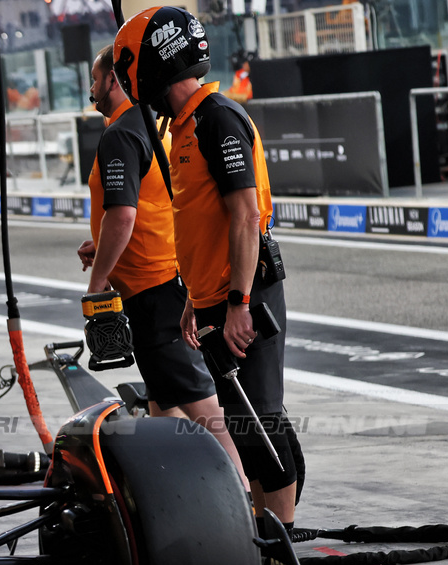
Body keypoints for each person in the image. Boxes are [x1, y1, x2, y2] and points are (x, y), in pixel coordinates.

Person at [113, 6, 299, 532]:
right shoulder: (185, 126)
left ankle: (281, 549)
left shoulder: (217, 118)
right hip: (215, 297)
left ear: (151, 64)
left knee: (260, 421)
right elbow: (202, 222)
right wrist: (197, 297)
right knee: (243, 427)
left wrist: (239, 302)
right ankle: (265, 537)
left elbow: (244, 215)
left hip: (246, 295)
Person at [78, 44, 245, 481]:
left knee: (202, 406)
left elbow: (123, 214)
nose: (91, 89)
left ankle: (244, 494)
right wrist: (104, 244)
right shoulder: (158, 128)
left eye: (95, 80)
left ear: (114, 80)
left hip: (154, 291)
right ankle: (174, 491)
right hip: (165, 279)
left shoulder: (120, 134)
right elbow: (154, 204)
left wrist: (97, 284)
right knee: (163, 405)